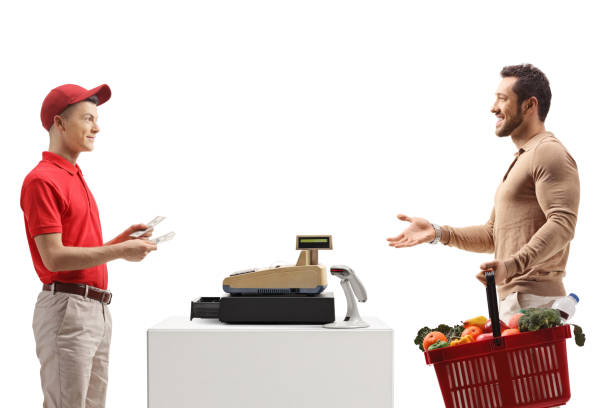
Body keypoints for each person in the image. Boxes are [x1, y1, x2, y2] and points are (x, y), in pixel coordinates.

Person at [387, 64, 580, 324]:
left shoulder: (548, 152)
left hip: (534, 301)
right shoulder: (523, 158)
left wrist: (511, 266)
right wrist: (438, 232)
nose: (493, 107)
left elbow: (562, 224)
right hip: (514, 300)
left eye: (502, 99)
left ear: (529, 105)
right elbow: (493, 234)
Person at [21, 84, 158, 408]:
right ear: (60, 123)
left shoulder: (73, 176)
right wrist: (118, 252)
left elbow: (77, 250)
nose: (96, 127)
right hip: (68, 310)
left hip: (95, 310)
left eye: (96, 119)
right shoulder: (43, 180)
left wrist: (118, 243)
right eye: (87, 118)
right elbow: (53, 257)